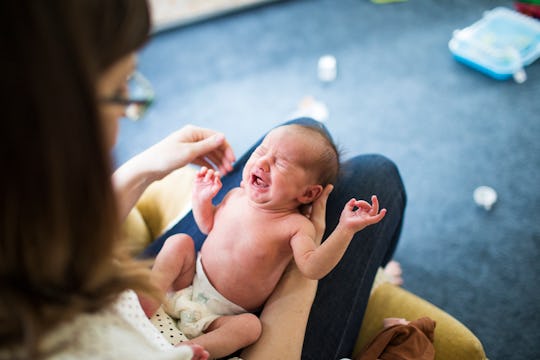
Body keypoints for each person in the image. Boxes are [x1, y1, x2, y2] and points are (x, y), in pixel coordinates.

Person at [1, 1, 406, 359]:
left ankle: (154, 297)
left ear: (309, 194)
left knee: (303, 131)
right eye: (119, 91)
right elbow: (302, 263)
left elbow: (211, 226)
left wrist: (168, 177)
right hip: (176, 313)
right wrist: (325, 241)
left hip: (211, 305)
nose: (126, 112)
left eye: (275, 162)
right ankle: (373, 276)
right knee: (374, 173)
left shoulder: (28, 243)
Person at [140, 124, 387, 358]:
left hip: (220, 318)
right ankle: (147, 302)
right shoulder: (236, 194)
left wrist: (344, 229)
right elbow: (207, 226)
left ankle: (189, 351)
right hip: (186, 284)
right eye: (261, 151)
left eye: (281, 163)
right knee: (179, 242)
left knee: (251, 327)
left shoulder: (295, 225)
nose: (263, 161)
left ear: (309, 193)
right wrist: (201, 199)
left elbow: (312, 267)